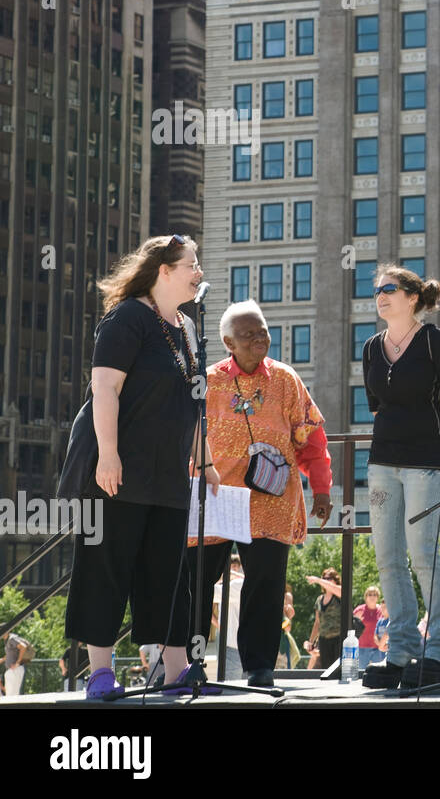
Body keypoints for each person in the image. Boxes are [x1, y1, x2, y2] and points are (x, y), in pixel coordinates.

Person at [65, 234, 220, 700]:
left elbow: (194, 402)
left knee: (169, 572)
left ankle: (176, 672)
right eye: (191, 264)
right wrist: (108, 455)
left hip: (169, 472)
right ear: (164, 270)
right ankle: (99, 674)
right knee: (107, 567)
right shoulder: (127, 318)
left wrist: (206, 459)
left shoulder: (189, 329)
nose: (198, 272)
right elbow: (105, 390)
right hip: (117, 468)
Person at [187, 299, 333, 688]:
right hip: (216, 494)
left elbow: (311, 437)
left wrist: (321, 487)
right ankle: (192, 663)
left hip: (271, 497)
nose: (258, 339)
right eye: (248, 334)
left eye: (262, 331)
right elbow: (182, 436)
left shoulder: (285, 379)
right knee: (198, 582)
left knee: (265, 583)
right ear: (227, 342)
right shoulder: (208, 380)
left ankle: (259, 667)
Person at [360, 265, 440, 690]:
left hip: (427, 461)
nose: (381, 296)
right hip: (383, 461)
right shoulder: (371, 348)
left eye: (389, 289)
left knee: (423, 552)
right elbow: (377, 408)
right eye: (377, 291)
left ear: (412, 297)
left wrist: (437, 439)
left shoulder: (432, 341)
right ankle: (401, 652)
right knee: (387, 555)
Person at [305, 569, 344, 669]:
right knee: (325, 670)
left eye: (329, 578)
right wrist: (311, 642)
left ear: (335, 580)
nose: (326, 580)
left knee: (337, 670)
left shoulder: (340, 593)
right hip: (324, 640)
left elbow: (337, 589)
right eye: (324, 578)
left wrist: (318, 580)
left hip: (338, 639)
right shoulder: (319, 599)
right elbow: (317, 622)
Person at [353, 587, 389, 670]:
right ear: (366, 597)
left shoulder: (382, 609)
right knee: (361, 672)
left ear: (377, 597)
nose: (372, 597)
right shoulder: (360, 609)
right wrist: (356, 620)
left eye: (374, 595)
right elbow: (350, 626)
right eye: (370, 595)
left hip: (378, 648)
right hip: (362, 647)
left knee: (378, 671)